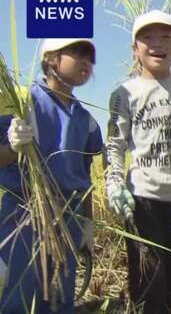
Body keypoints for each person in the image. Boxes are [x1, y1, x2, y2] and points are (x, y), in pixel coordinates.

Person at [105, 10, 171, 313]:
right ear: (134, 49)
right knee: (149, 284)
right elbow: (114, 144)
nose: (157, 44)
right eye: (147, 37)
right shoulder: (123, 93)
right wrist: (114, 183)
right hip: (144, 200)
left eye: (166, 37)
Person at [0, 38, 102, 313]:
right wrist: (13, 146)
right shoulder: (22, 101)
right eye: (77, 52)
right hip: (24, 216)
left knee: (59, 297)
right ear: (51, 60)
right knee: (20, 295)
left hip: (67, 217)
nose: (86, 61)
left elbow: (85, 177)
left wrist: (86, 225)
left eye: (90, 56)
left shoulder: (86, 120)